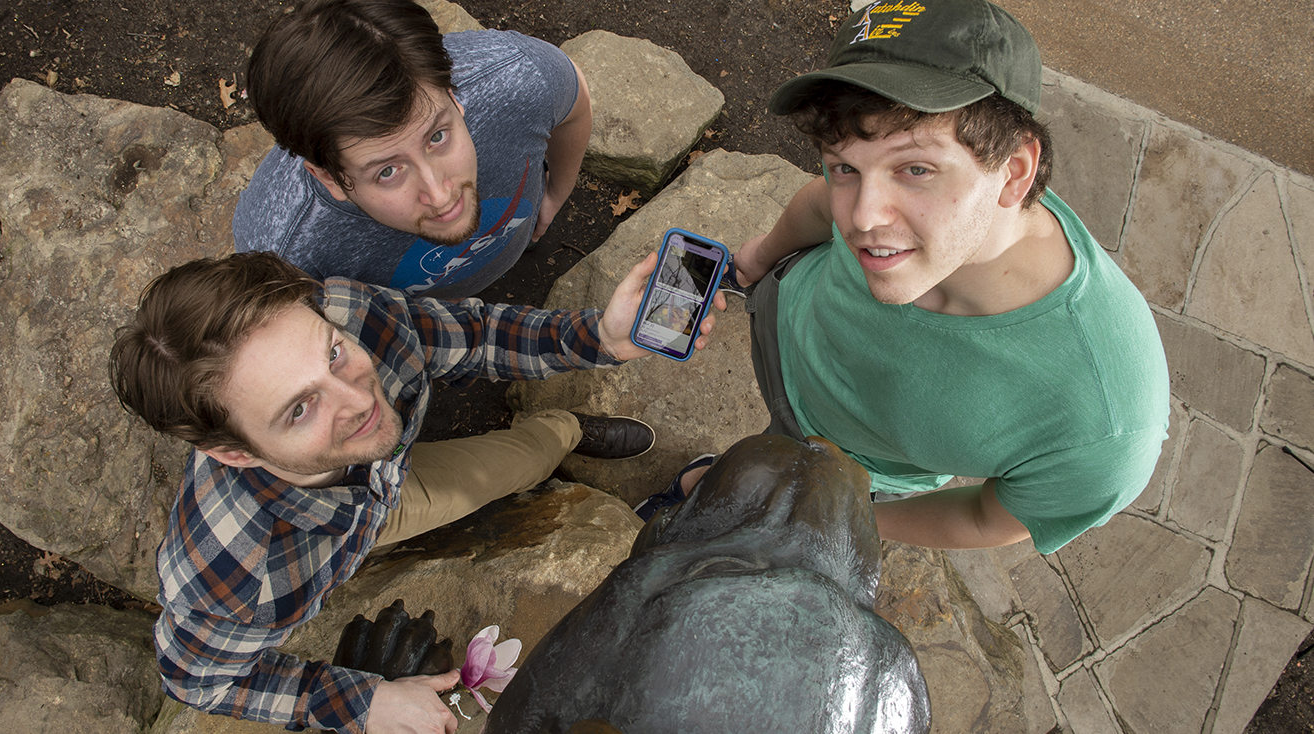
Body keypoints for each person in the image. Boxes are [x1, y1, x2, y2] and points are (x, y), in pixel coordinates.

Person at [637, 0, 1169, 556]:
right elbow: (822, 205)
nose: (863, 219)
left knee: (763, 478)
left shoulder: (1105, 426)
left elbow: (990, 521)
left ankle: (714, 484)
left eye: (914, 169)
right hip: (783, 325)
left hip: (852, 459)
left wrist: (825, 514)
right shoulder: (894, 216)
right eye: (846, 166)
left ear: (1013, 172)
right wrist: (764, 256)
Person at [109, 251, 721, 733]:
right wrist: (362, 704)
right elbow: (199, 680)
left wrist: (599, 341)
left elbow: (476, 335)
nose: (360, 401)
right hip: (313, 538)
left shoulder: (351, 315)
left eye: (332, 354)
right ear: (234, 453)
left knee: (521, 462)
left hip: (387, 492)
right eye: (299, 409)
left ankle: (561, 433)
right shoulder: (234, 574)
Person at [233, 0, 592, 298]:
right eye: (387, 172)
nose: (439, 195)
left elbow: (575, 103)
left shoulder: (515, 75)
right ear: (329, 178)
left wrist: (555, 195)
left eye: (437, 137)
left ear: (454, 95)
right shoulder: (287, 254)